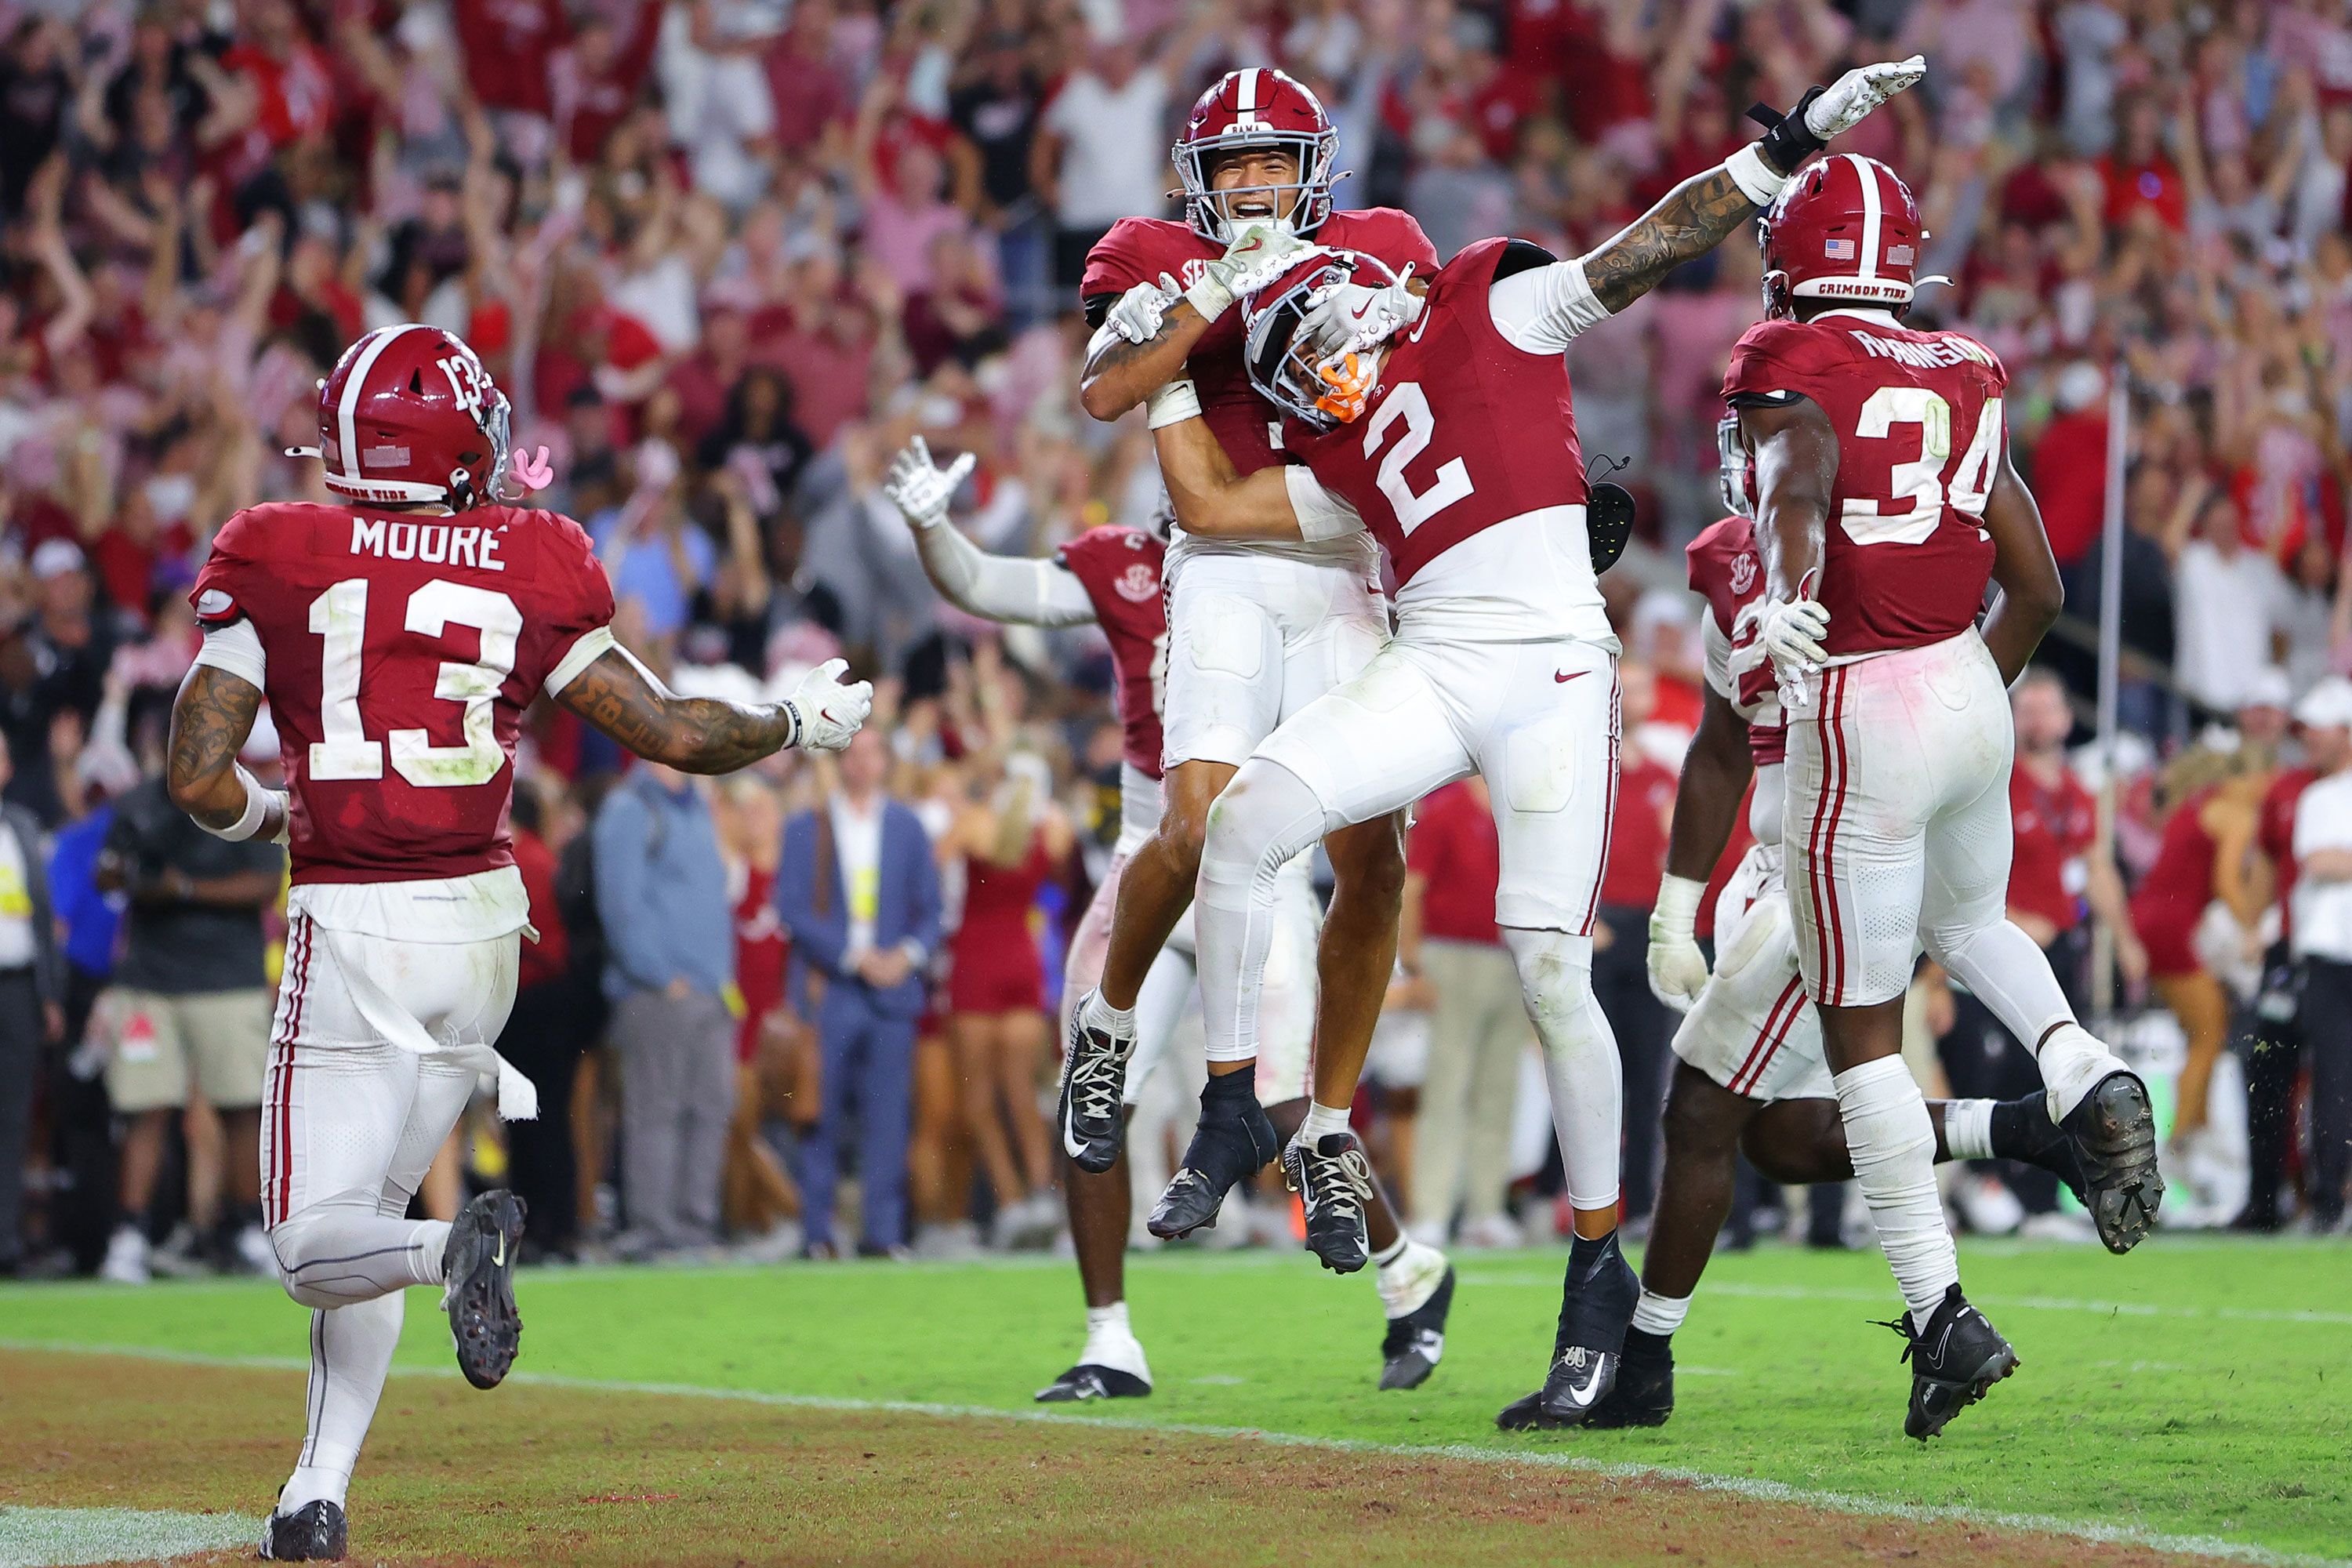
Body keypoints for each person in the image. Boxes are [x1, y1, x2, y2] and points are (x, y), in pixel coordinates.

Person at [1135, 54, 1930, 1428]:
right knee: (1249, 815)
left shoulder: (1493, 304)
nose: (1321, 378)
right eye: (1296, 375)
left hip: (1555, 670)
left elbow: (1652, 242)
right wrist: (1150, 373)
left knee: (1557, 971)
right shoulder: (1334, 451)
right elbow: (1209, 512)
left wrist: (1778, 155)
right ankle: (1226, 1107)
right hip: (1436, 661)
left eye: (1315, 342)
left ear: (1361, 292)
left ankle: (1594, 1273)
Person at [165, 322, 870, 1561]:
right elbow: (670, 733)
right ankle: (314, 1496)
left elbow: (193, 770)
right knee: (369, 1207)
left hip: (356, 918)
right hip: (487, 927)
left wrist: (261, 814)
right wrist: (792, 721)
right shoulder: (531, 555)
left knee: (310, 1240)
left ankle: (454, 1250)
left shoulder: (276, 547)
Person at [1728, 154, 2161, 1440]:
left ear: (1798, 263)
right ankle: (2077, 1064)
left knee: (1864, 1036)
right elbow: (2038, 588)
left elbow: (1800, 486)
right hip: (1970, 679)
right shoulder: (1966, 365)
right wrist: (1966, 695)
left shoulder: (1789, 361)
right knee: (1973, 928)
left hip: (1864, 691)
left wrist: (1798, 596)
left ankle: (1940, 1316)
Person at [884, 450, 1452, 1397]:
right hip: (1151, 856)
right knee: (1089, 1097)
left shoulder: (1312, 562)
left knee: (1288, 1107)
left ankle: (1404, 1265)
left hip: (1261, 866)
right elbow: (986, 585)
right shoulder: (1129, 564)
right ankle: (1110, 1337)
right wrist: (932, 530)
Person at [1609, 470, 2103, 1433]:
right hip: (1779, 855)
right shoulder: (1729, 564)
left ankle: (1648, 1358)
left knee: (1703, 1107)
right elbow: (1722, 742)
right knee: (1774, 1135)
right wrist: (1676, 907)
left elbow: (2034, 596)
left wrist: (1950, 721)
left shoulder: (1896, 561)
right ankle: (2030, 1129)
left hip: (1837, 846)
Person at [1058, 71, 1436, 1272]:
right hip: (1221, 560)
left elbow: (1444, 378)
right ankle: (1110, 1030)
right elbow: (1104, 388)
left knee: (1374, 859)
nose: (1257, 185)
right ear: (1199, 179)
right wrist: (1216, 293)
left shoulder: (1382, 247)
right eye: (1236, 168)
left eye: (1275, 164)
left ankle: (1325, 1129)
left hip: (1346, 563)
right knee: (1195, 820)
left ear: (1315, 166)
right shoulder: (1154, 256)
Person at [94, 764, 283, 1284]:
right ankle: (130, 1234)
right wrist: (128, 877)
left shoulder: (246, 800)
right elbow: (105, 872)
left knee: (242, 1107)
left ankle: (247, 1228)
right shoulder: (137, 803)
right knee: (143, 1109)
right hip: (149, 979)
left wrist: (182, 889)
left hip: (228, 977)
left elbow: (265, 884)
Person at [774, 727, 940, 1260]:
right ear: (842, 761)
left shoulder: (908, 828)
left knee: (889, 1118)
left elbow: (932, 910)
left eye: (874, 753)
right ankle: (817, 1232)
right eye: (856, 753)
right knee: (819, 1116)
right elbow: (793, 908)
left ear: (887, 762)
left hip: (893, 995)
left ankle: (882, 1232)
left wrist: (906, 955)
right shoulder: (809, 828)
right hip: (834, 991)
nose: (865, 763)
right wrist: (852, 954)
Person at [593, 758, 735, 1259]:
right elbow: (620, 904)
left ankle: (696, 1228)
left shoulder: (697, 805)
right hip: (659, 992)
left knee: (709, 1109)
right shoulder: (631, 809)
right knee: (657, 1111)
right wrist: (658, 975)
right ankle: (654, 1230)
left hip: (710, 989)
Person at [939, 750, 1071, 1249]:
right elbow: (1064, 884)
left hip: (975, 962)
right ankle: (1042, 1194)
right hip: (1022, 959)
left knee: (979, 1099)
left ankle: (1013, 1201)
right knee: (1021, 1090)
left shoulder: (975, 824)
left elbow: (932, 874)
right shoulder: (1050, 831)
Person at [1399, 778, 1531, 1248]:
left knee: (1500, 1089)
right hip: (1451, 957)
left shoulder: (1522, 807)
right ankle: (1431, 1211)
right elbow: (1412, 887)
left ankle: (1486, 1209)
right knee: (1446, 1088)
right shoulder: (1443, 808)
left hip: (1510, 956)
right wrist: (1412, 963)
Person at [2285, 677, 2352, 1229]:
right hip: (2330, 953)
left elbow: (2336, 860)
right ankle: (2329, 1197)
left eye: (2318, 729)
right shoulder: (2319, 796)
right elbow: (2320, 862)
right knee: (2332, 1077)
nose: (2308, 739)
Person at [0, 732, 61, 1276]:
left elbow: (41, 921)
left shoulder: (21, 825)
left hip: (18, 988)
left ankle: (7, 1243)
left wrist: (49, 996)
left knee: (15, 1116)